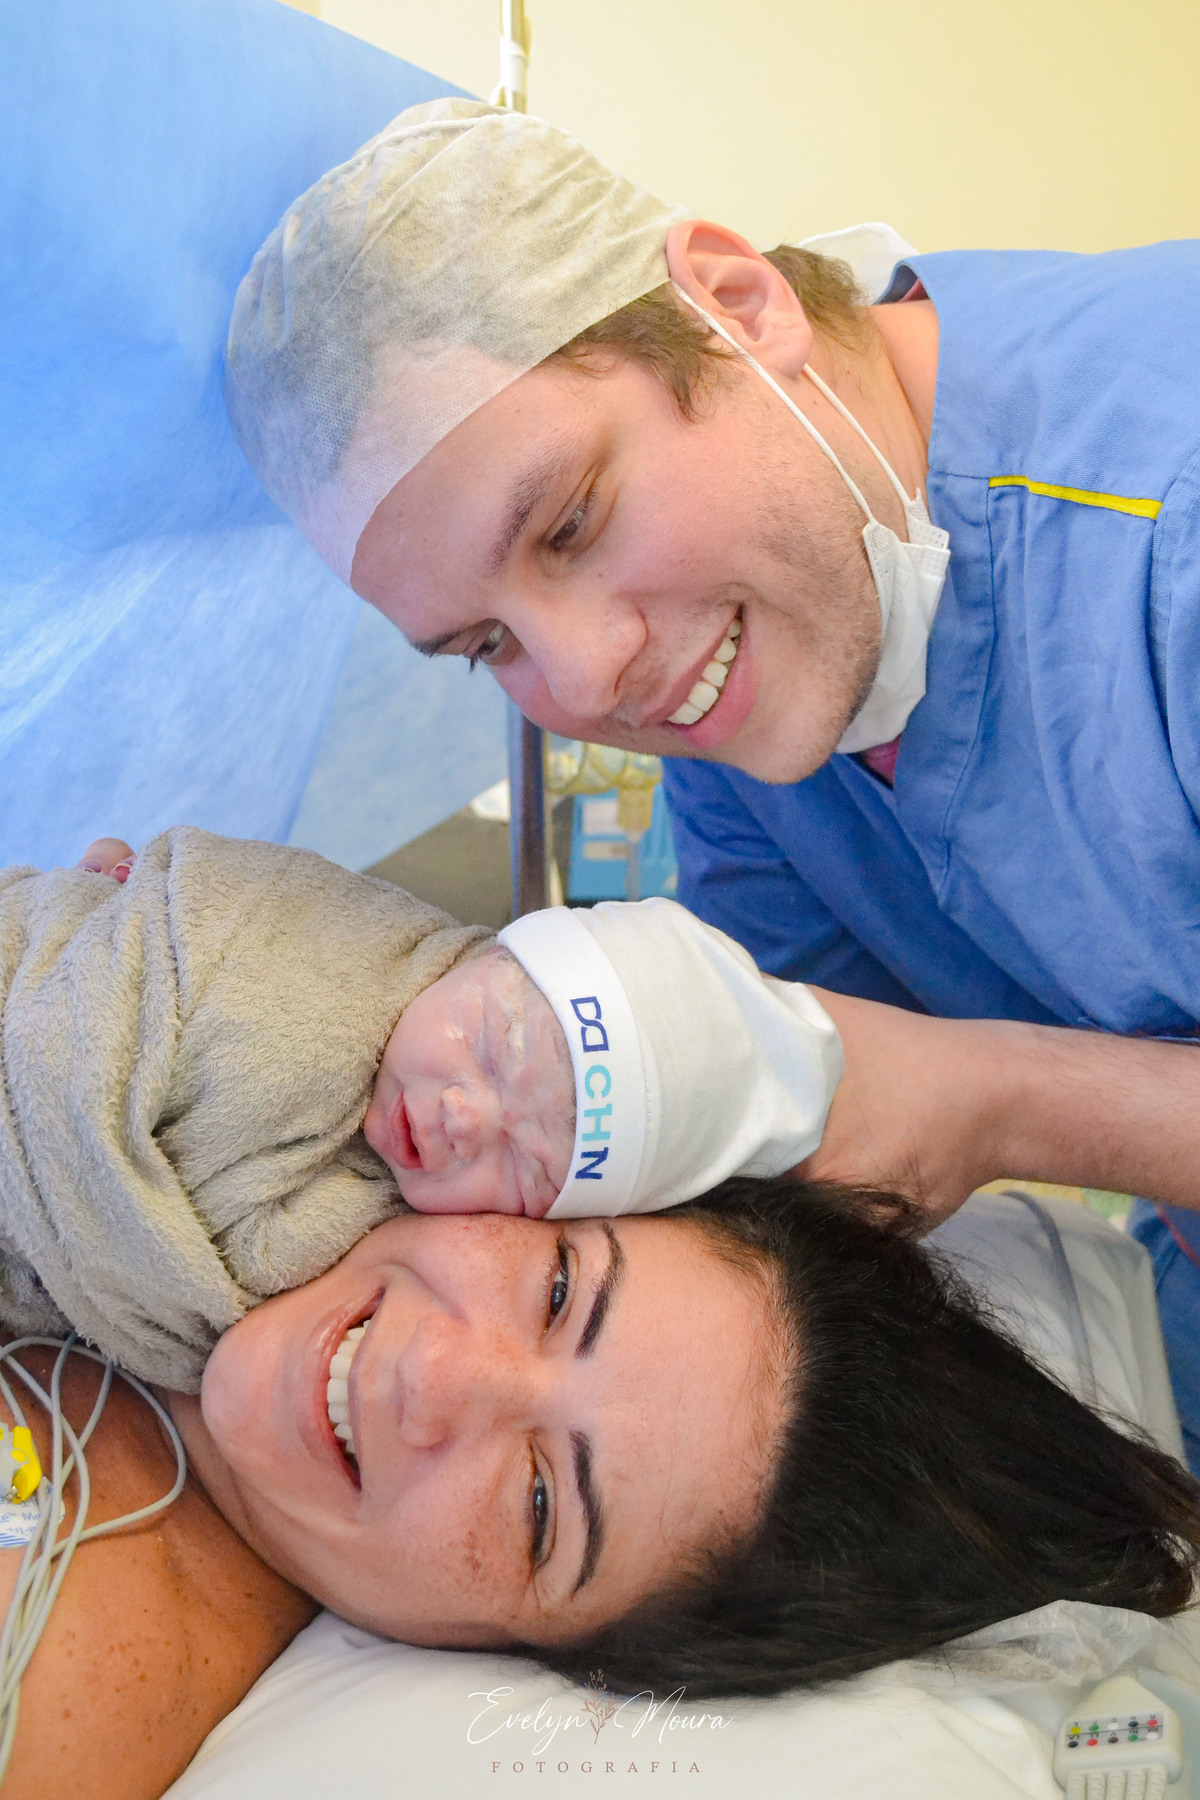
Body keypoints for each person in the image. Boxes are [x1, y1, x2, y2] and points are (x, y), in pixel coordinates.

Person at [221, 98, 1200, 1230]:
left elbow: (943, 1103)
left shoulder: (1162, 526)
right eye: (488, 645)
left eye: (573, 524)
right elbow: (804, 1115)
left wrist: (1002, 1103)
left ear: (739, 303)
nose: (586, 683)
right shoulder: (753, 705)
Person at [11, 1179, 1200, 1800]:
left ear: (547, 1648)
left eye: (539, 1506)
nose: (433, 1375)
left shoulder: (72, 1667)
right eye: (559, 1288)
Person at [0, 825, 838, 1388]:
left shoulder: (383, 1226)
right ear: (490, 951)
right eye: (494, 1042)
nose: (465, 1118)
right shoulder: (340, 951)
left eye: (527, 1165)